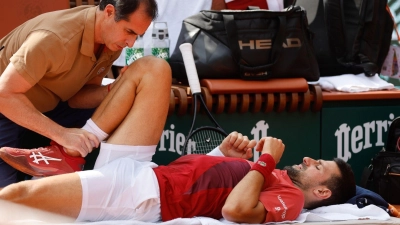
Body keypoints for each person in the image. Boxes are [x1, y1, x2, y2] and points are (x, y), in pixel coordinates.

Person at [0, 104, 356, 223]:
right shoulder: (269, 176)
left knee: (18, 196)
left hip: (142, 193)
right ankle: (66, 155)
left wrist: (263, 161)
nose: (309, 159)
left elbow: (234, 210)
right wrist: (221, 156)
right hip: (148, 172)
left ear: (322, 191)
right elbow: (203, 178)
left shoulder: (291, 201)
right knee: (151, 69)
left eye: (317, 165)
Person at [0, 0, 170, 186]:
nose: (131, 43)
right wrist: (61, 134)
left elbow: (78, 97)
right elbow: (4, 95)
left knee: (117, 106)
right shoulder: (55, 37)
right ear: (109, 12)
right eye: (129, 31)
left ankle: (75, 164)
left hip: (48, 108)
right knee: (7, 202)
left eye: (138, 36)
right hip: (7, 110)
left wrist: (118, 90)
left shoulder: (109, 40)